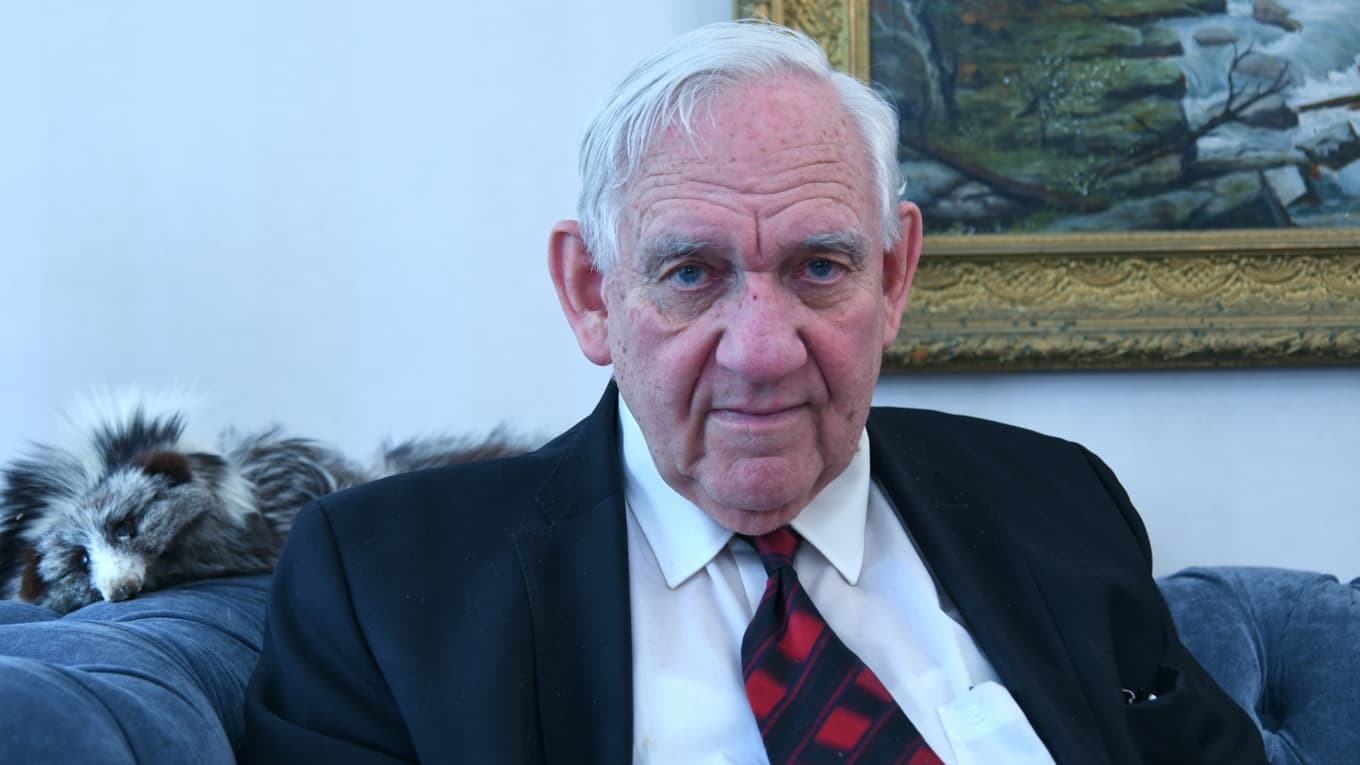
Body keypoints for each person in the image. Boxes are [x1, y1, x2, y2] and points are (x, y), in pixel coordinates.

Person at [241, 20, 1267, 765]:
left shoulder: (1055, 499)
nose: (764, 351)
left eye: (820, 267)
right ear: (592, 293)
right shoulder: (382, 585)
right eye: (692, 273)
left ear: (893, 276)